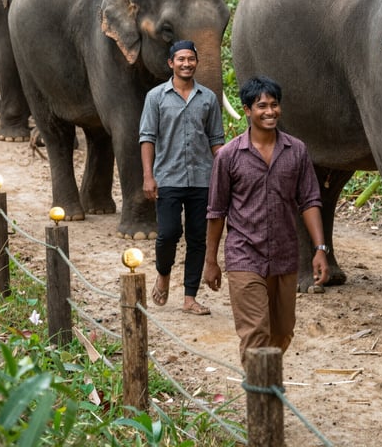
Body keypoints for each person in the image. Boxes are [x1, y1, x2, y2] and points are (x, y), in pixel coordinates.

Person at [204, 75, 330, 365]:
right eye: (262, 106)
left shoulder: (296, 151)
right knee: (255, 334)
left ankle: (264, 383)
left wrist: (320, 249)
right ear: (247, 111)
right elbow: (216, 211)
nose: (270, 111)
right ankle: (260, 404)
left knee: (282, 332)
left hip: (285, 257)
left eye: (274, 105)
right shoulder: (229, 156)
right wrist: (211, 261)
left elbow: (310, 201)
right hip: (244, 255)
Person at [140, 40, 224, 315]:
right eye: (181, 59)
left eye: (191, 59)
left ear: (196, 62)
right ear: (171, 63)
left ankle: (190, 297)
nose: (186, 63)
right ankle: (163, 273)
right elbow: (147, 137)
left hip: (203, 178)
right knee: (168, 233)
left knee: (198, 237)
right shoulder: (156, 97)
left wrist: (226, 172)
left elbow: (216, 140)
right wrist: (148, 176)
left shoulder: (208, 98)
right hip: (168, 177)